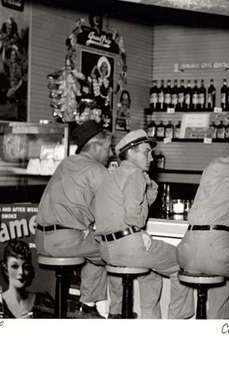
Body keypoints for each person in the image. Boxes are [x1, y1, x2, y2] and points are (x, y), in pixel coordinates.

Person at [94, 129, 194, 319]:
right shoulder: (134, 174)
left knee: (152, 274)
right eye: (146, 151)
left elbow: (133, 207)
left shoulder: (111, 175)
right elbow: (135, 217)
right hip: (129, 247)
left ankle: (135, 316)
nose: (151, 157)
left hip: (107, 249)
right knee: (183, 262)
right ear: (131, 153)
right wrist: (139, 232)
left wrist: (150, 186)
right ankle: (178, 320)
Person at [36, 120, 112, 318]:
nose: (110, 154)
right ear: (95, 147)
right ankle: (93, 307)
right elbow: (111, 213)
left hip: (41, 240)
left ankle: (88, 303)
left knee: (95, 244)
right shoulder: (97, 170)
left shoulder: (66, 163)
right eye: (108, 148)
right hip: (65, 242)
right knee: (112, 249)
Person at [177, 157, 229, 319]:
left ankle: (180, 317)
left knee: (225, 274)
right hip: (216, 250)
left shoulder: (214, 164)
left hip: (186, 251)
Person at [0, 239, 54, 318]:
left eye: (25, 267)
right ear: (5, 269)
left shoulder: (44, 302)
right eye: (15, 266)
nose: (21, 272)